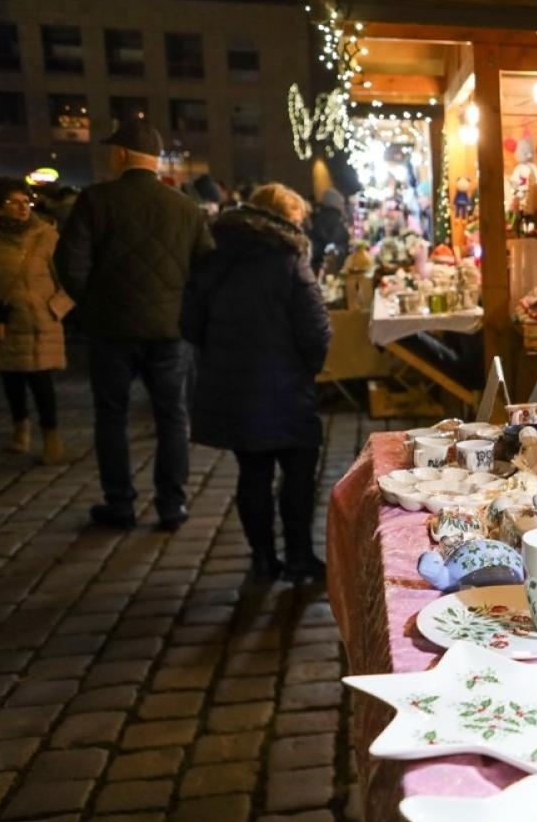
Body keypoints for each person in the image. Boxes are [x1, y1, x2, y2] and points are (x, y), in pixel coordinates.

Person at [56, 121, 213, 530]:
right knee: (173, 417)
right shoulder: (184, 206)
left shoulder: (96, 200)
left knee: (111, 417)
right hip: (169, 330)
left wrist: (94, 305)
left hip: (112, 332)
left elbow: (69, 262)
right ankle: (171, 503)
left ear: (121, 155)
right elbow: (206, 268)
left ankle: (120, 502)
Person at [182, 184, 331, 583]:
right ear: (286, 219)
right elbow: (315, 327)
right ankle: (299, 557)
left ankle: (263, 559)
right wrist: (308, 368)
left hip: (234, 388)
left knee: (253, 473)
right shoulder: (288, 258)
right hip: (285, 385)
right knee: (299, 472)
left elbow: (190, 323)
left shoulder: (215, 256)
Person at [0, 178, 73, 463]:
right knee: (11, 379)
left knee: (41, 380)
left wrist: (55, 309)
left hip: (40, 321)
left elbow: (68, 280)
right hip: (4, 321)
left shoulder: (45, 235)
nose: (23, 208)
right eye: (15, 202)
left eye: (26, 201)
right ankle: (20, 429)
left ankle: (51, 438)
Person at [309, 188, 351, 275]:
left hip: (318, 264)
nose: (343, 206)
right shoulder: (333, 220)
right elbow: (336, 243)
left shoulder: (320, 218)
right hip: (328, 268)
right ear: (336, 204)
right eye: (341, 203)